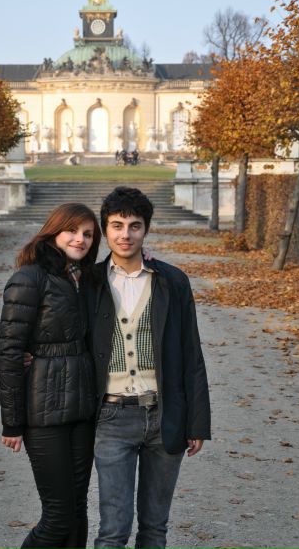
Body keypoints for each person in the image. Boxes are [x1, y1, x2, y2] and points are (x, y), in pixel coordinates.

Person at [87, 186, 211, 549]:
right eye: (117, 225)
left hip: (164, 415)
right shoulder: (89, 282)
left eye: (135, 226)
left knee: (155, 529)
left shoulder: (172, 281)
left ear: (146, 229)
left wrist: (197, 423)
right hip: (111, 418)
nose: (125, 234)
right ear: (105, 229)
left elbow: (191, 354)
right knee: (113, 530)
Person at [0, 203, 101, 549]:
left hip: (82, 409)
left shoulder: (87, 279)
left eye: (88, 234)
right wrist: (12, 423)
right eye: (72, 230)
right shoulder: (29, 278)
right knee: (57, 516)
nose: (80, 239)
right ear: (54, 231)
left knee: (78, 509)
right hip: (44, 412)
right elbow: (10, 353)